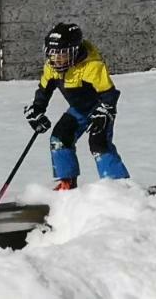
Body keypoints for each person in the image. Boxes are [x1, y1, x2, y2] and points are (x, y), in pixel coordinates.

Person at [23, 22, 130, 190]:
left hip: (98, 109)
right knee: (59, 139)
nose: (57, 59)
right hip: (78, 110)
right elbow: (44, 90)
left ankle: (118, 184)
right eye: (52, 54)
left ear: (75, 51)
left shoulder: (92, 66)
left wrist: (105, 111)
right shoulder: (52, 67)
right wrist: (37, 109)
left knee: (99, 143)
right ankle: (67, 182)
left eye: (63, 54)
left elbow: (109, 94)